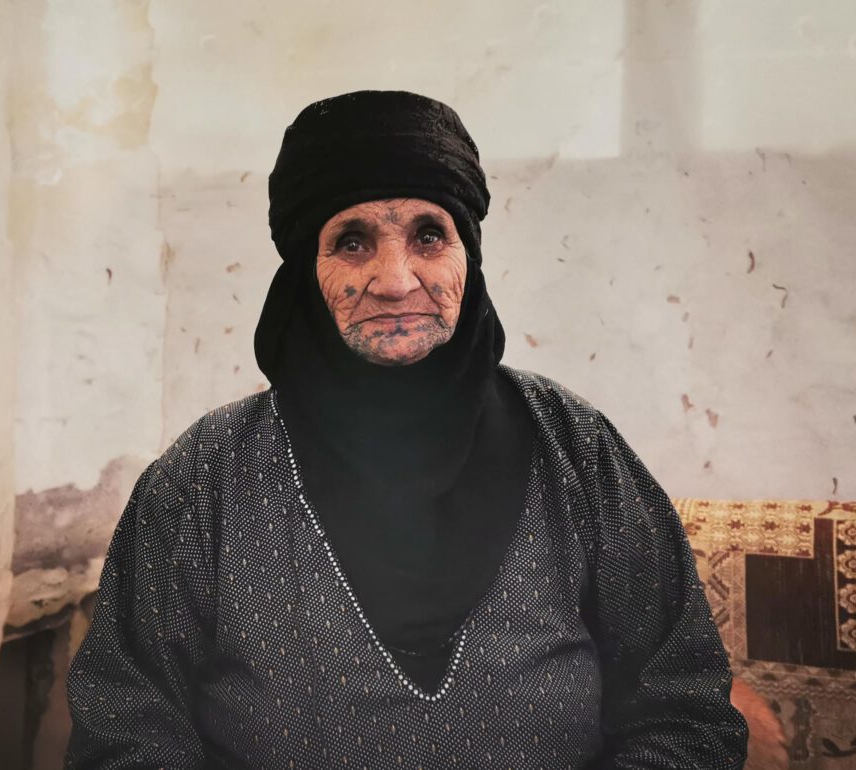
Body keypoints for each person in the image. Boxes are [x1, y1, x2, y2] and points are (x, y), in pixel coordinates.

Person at [65, 90, 749, 769]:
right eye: (351, 242)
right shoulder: (205, 477)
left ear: (466, 254)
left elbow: (683, 712)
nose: (394, 280)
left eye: (428, 235)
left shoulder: (575, 447)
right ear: (305, 269)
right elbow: (126, 727)